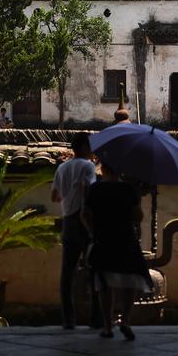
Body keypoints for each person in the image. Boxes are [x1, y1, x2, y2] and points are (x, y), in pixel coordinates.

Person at [81, 159, 153, 341]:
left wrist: (92, 231)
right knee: (131, 280)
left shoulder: (95, 189)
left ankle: (107, 325)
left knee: (104, 283)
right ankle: (126, 320)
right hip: (126, 238)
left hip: (103, 239)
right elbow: (139, 216)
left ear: (103, 169)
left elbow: (85, 214)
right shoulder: (128, 189)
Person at [51, 132, 99, 329]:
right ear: (86, 148)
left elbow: (55, 197)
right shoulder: (88, 166)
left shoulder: (62, 168)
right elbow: (90, 191)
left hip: (68, 221)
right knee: (94, 269)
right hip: (85, 220)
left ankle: (68, 320)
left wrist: (68, 195)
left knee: (67, 272)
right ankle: (97, 320)